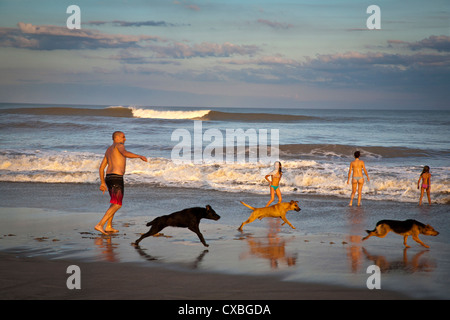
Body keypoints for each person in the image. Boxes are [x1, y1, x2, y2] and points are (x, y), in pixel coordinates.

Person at [95, 131, 147, 235]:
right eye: (123, 137)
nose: (125, 139)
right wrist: (139, 156)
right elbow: (125, 153)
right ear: (117, 138)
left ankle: (109, 226)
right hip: (116, 178)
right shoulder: (119, 145)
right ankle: (100, 224)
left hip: (109, 178)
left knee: (114, 202)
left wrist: (102, 183)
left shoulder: (109, 149)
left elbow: (101, 168)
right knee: (117, 204)